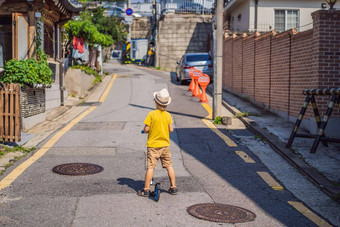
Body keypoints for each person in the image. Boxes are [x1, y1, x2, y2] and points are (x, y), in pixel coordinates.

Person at [138, 88, 178, 197]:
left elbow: (146, 129)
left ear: (155, 101)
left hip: (153, 146)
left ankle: (146, 189)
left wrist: (146, 130)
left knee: (151, 167)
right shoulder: (168, 115)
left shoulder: (151, 114)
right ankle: (173, 187)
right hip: (165, 145)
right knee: (169, 166)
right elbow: (171, 130)